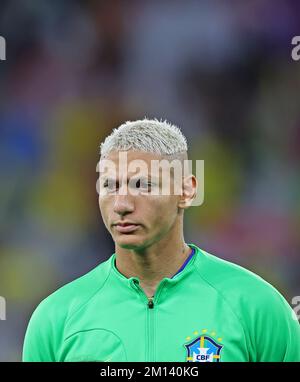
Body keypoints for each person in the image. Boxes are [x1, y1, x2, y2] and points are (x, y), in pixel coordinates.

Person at [23, 118, 300, 362]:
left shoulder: (256, 306)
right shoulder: (56, 318)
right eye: (109, 185)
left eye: (142, 185)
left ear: (187, 190)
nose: (121, 204)